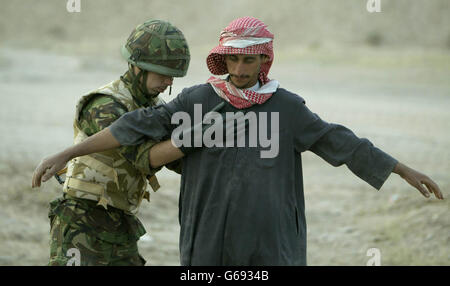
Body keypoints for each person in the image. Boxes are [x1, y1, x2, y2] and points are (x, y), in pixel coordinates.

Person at [32, 17, 443, 266]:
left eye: (250, 60)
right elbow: (132, 128)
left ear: (264, 60)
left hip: (271, 243)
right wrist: (66, 153)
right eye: (234, 59)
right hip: (206, 241)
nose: (241, 69)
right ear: (223, 59)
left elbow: (340, 141)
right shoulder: (196, 100)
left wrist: (401, 169)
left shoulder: (288, 108)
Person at [35, 20, 190, 266]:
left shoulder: (155, 108)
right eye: (163, 74)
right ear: (138, 67)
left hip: (121, 224)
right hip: (82, 222)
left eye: (172, 76)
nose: (169, 82)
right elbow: (142, 156)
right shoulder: (105, 104)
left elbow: (180, 162)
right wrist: (191, 139)